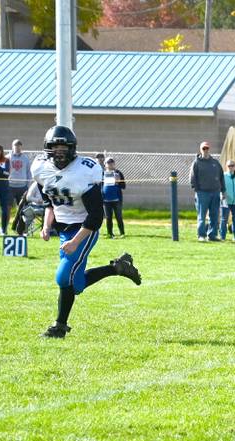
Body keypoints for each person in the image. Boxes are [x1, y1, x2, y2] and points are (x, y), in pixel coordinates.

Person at [31, 126, 142, 338]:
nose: (60, 152)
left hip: (84, 228)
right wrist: (47, 225)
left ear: (72, 149)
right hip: (64, 228)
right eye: (56, 147)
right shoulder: (40, 168)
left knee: (64, 278)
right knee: (76, 282)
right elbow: (49, 203)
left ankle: (59, 327)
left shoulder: (85, 170)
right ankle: (118, 268)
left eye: (64, 147)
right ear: (48, 149)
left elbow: (95, 217)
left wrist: (75, 242)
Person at [189, 141, 224, 242]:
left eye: (207, 148)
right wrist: (197, 190)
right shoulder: (196, 163)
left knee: (214, 215)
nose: (205, 150)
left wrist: (223, 191)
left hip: (215, 192)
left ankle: (212, 235)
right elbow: (192, 178)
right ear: (200, 150)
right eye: (203, 148)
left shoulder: (215, 163)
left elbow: (221, 177)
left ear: (209, 149)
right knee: (202, 215)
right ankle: (201, 235)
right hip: (202, 193)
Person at [220, 159, 235, 242]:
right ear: (226, 167)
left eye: (232, 165)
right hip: (226, 201)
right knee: (224, 219)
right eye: (229, 166)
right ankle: (222, 237)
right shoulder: (223, 176)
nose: (231, 167)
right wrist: (222, 196)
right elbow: (220, 187)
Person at [102, 156, 126, 238]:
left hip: (117, 199)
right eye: (108, 162)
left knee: (119, 217)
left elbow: (123, 186)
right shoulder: (102, 173)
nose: (110, 164)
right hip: (106, 200)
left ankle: (122, 233)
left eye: (112, 162)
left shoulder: (118, 173)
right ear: (105, 164)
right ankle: (110, 233)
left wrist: (118, 182)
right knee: (108, 218)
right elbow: (99, 185)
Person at [7, 139, 31, 214]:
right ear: (12, 147)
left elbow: (28, 172)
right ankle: (5, 225)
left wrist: (28, 186)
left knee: (22, 208)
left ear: (21, 147)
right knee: (7, 207)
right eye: (15, 145)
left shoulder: (26, 158)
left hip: (22, 187)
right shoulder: (7, 158)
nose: (17, 147)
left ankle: (20, 225)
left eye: (19, 146)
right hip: (10, 186)